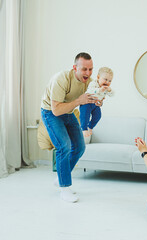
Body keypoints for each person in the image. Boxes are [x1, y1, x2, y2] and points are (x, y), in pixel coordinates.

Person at [40, 52, 102, 203]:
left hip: (68, 111)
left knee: (80, 147)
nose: (88, 73)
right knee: (64, 146)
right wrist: (79, 101)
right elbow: (56, 110)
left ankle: (61, 177)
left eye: (91, 69)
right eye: (84, 69)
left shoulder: (90, 82)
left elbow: (91, 101)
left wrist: (98, 102)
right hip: (51, 112)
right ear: (75, 68)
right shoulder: (61, 79)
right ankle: (64, 188)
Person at [80, 67, 114, 137]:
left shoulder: (106, 88)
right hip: (87, 103)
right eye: (105, 79)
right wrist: (99, 90)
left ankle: (90, 127)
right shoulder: (93, 83)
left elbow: (112, 95)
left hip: (95, 104)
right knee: (85, 115)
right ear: (98, 77)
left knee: (98, 116)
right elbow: (90, 91)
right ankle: (84, 129)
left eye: (110, 81)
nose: (107, 82)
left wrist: (110, 90)